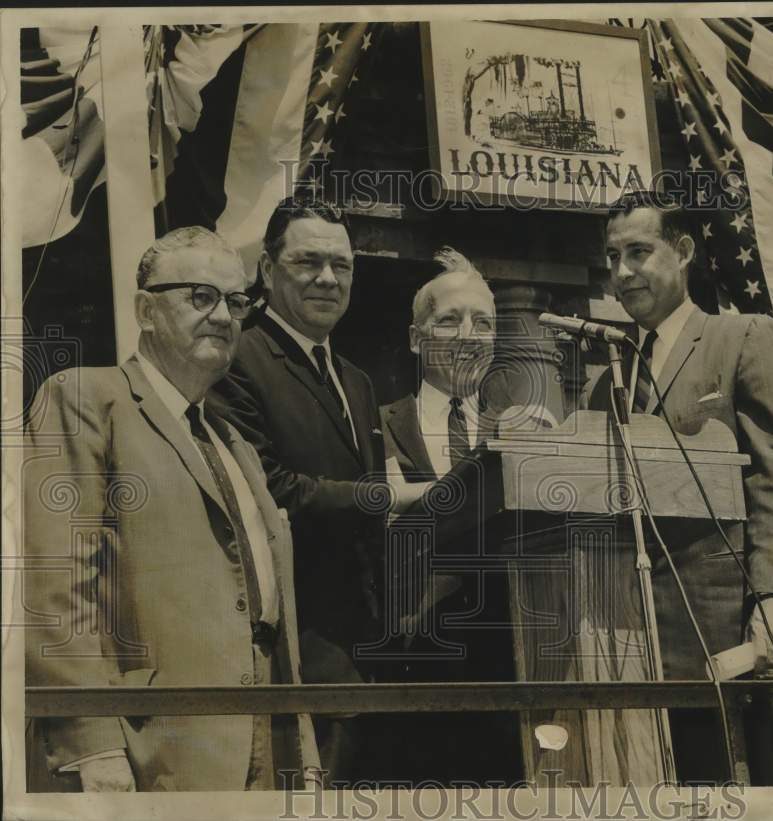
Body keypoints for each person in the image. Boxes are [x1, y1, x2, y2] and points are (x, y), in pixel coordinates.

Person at [23, 227, 319, 791]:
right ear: (146, 310)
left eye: (236, 302)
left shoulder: (236, 445)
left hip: (263, 740)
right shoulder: (87, 399)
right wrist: (93, 745)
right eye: (199, 296)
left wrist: (298, 742)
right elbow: (52, 585)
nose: (223, 316)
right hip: (149, 748)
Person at [588, 190, 773, 783]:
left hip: (731, 634)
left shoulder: (744, 338)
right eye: (612, 257)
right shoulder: (608, 379)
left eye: (639, 251)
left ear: (683, 251)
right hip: (633, 647)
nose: (622, 271)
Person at [207, 197, 422, 780]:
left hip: (371, 655)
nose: (328, 279)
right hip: (296, 654)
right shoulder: (237, 359)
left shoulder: (355, 378)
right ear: (268, 271)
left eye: (342, 265)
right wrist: (391, 498)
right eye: (308, 262)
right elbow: (269, 491)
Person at [378, 247, 523, 784]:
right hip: (419, 670)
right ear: (417, 339)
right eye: (450, 320)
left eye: (483, 323)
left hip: (517, 668)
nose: (469, 335)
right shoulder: (377, 425)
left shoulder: (521, 428)